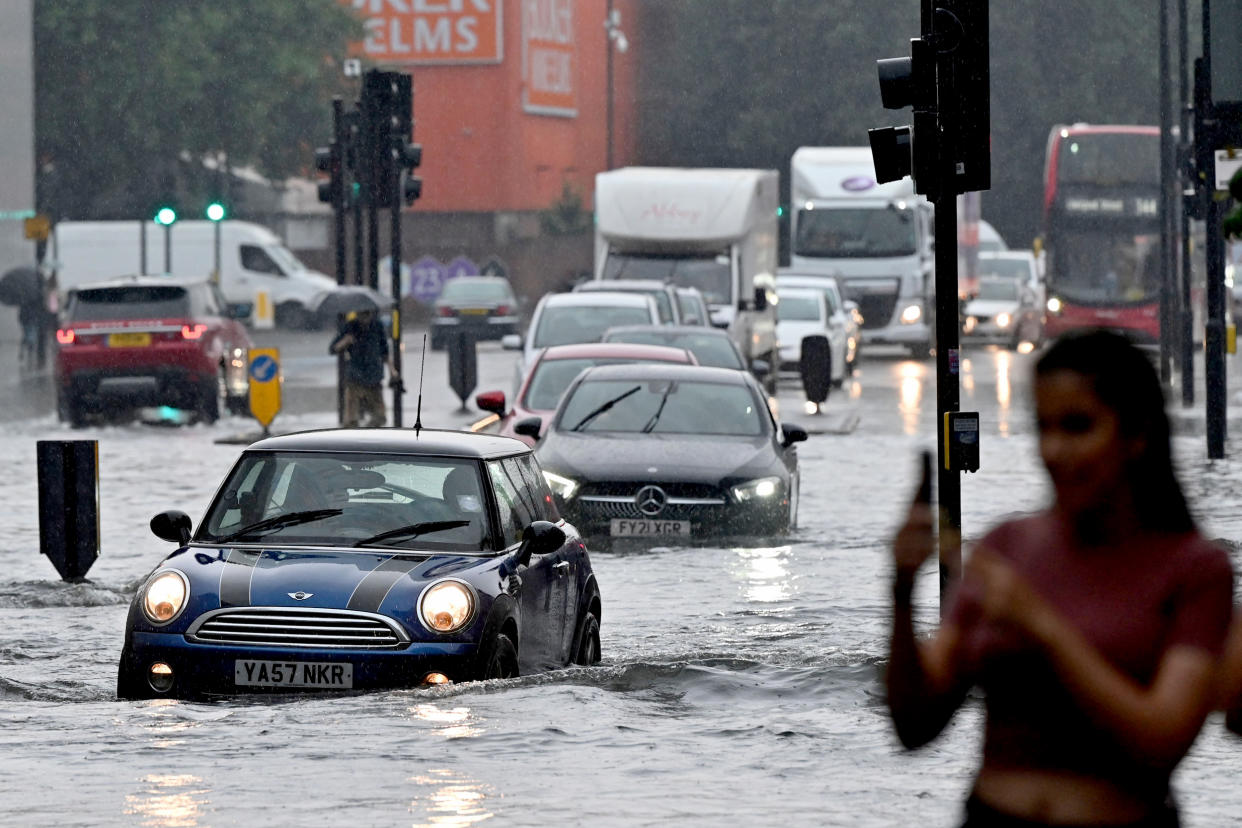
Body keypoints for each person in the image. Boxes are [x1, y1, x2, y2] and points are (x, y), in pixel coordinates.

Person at [887, 329, 1234, 828]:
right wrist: (900, 591)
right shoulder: (1006, 547)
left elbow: (1162, 740)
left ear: (1136, 435)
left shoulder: (1194, 569)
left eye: (1077, 427)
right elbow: (913, 726)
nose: (1053, 451)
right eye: (1042, 428)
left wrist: (1043, 628)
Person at [329, 308, 398, 428]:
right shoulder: (350, 326)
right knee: (351, 419)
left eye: (367, 314)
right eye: (362, 315)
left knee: (380, 417)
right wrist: (345, 342)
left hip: (373, 376)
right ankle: (356, 434)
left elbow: (385, 351)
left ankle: (367, 434)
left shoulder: (377, 326)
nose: (365, 318)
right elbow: (333, 348)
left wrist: (392, 371)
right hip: (355, 376)